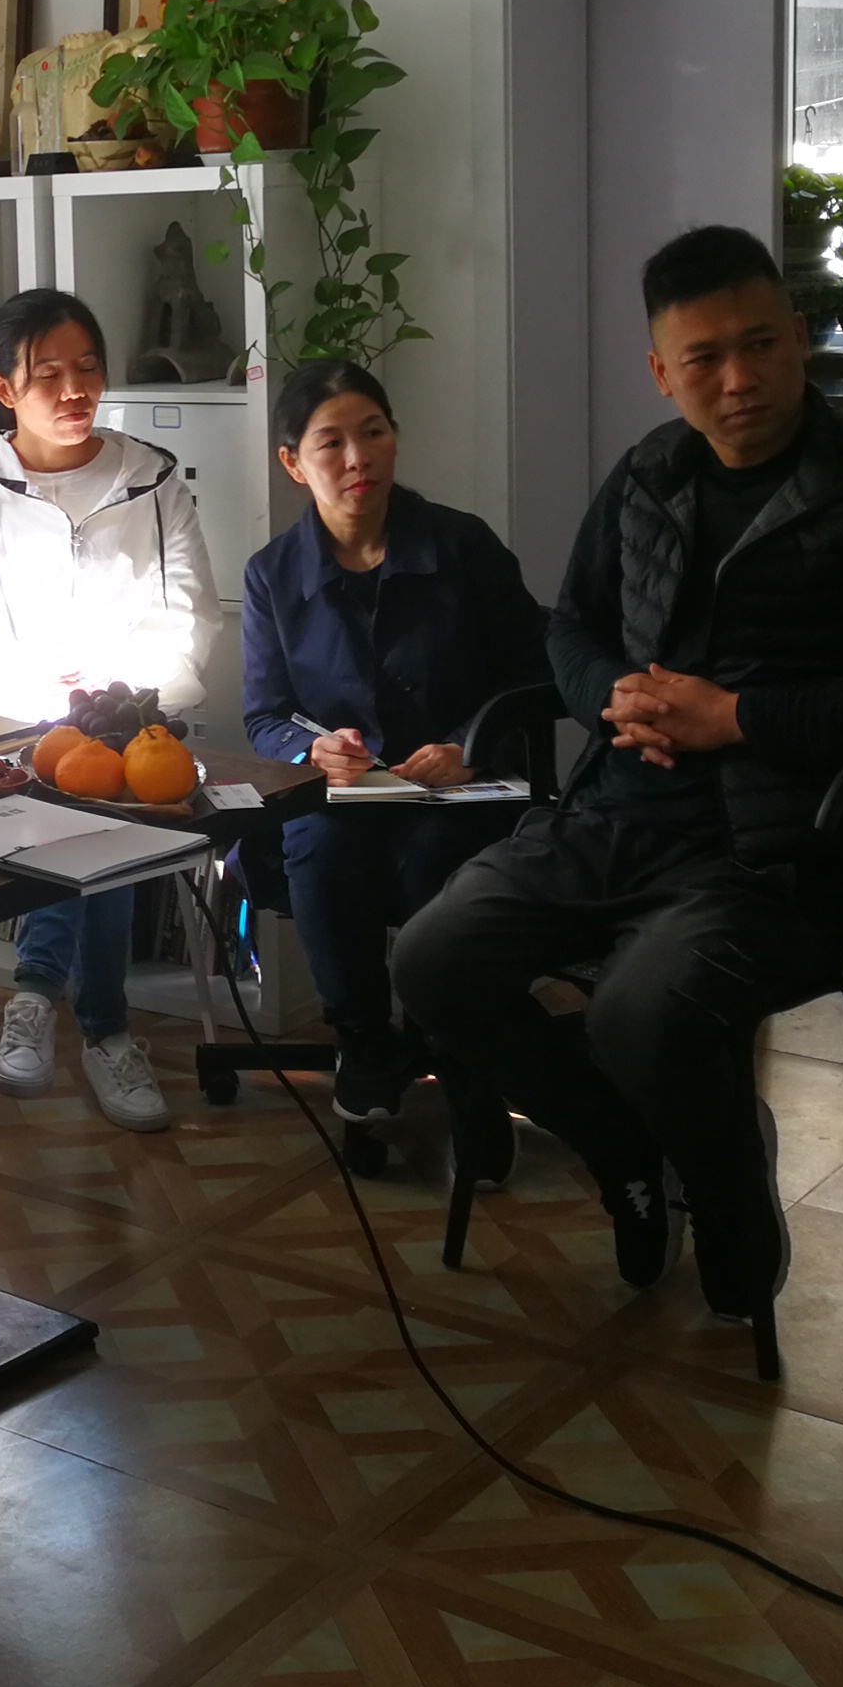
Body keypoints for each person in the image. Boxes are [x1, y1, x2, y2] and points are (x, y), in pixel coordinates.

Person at [392, 226, 843, 1318]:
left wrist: (733, 718)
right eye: (705, 358)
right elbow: (570, 630)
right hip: (614, 816)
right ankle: (624, 1153)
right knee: (433, 959)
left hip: (780, 850)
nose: (739, 380)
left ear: (801, 337)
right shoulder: (648, 474)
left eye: (761, 344)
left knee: (637, 1013)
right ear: (663, 372)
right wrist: (610, 693)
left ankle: (731, 1191)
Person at [0, 288, 222, 1133]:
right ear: (5, 389)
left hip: (134, 723)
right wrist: (39, 684)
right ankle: (103, 1025)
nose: (74, 390)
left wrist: (114, 693)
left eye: (88, 368)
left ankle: (42, 996)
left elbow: (191, 611)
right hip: (9, 728)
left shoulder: (150, 479)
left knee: (100, 795)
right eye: (48, 375)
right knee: (74, 795)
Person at [241, 360, 548, 1125]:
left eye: (373, 433)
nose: (358, 459)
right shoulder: (271, 576)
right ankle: (365, 1043)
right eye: (332, 443)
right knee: (317, 845)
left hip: (463, 790)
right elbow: (265, 716)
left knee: (433, 856)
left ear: (395, 438)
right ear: (293, 463)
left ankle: (457, 1048)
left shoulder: (462, 545)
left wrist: (468, 745)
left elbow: (539, 672)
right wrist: (314, 752)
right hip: (348, 796)